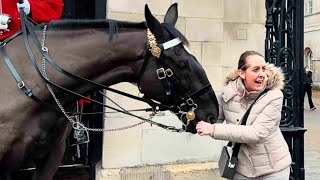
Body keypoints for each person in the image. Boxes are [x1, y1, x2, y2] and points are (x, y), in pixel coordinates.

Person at [196, 51, 292, 179]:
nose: (262, 74)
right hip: (241, 169)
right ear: (242, 73)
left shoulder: (274, 96)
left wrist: (213, 130)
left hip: (273, 169)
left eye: (264, 69)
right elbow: (212, 119)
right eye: (256, 70)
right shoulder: (228, 93)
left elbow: (256, 133)